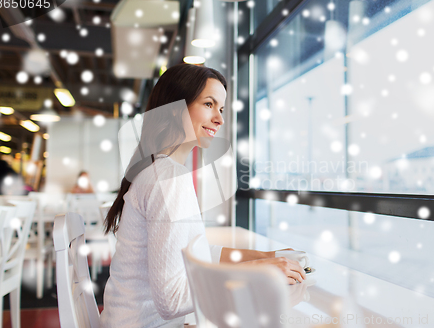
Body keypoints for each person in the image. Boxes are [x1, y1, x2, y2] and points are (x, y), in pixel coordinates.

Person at [101, 64, 306, 328]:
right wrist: (262, 272)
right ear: (175, 107)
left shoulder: (159, 170)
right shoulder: (168, 179)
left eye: (220, 109)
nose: (220, 119)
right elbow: (172, 301)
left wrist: (264, 257)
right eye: (209, 104)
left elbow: (196, 254)